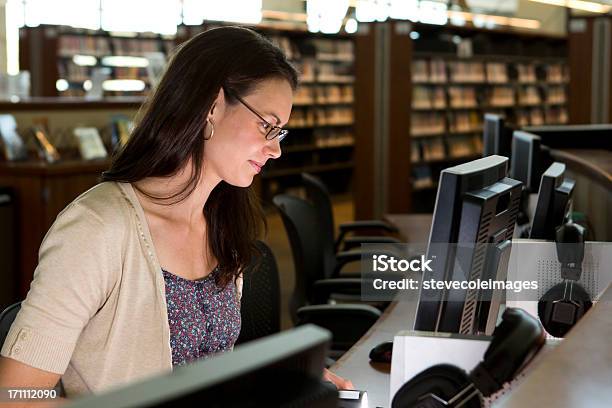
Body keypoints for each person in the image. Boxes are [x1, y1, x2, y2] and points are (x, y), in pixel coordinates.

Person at [0, 26, 352, 404]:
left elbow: (202, 365)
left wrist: (275, 378)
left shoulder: (220, 222)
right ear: (212, 106)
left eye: (279, 133)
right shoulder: (97, 228)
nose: (275, 149)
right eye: (266, 125)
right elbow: (13, 394)